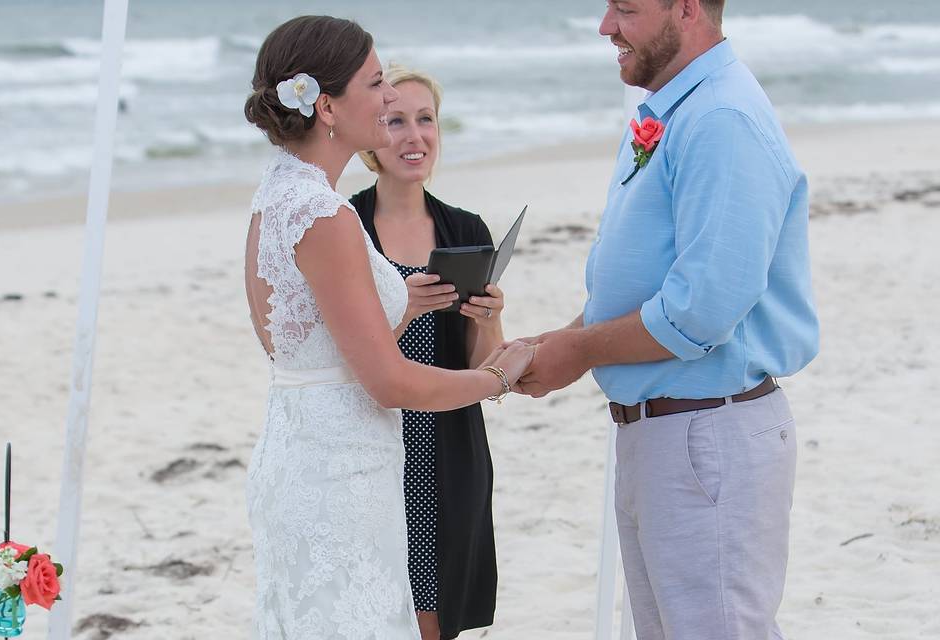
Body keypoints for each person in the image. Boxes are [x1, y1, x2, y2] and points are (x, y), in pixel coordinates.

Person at [513, 1, 820, 639]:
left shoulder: (721, 119)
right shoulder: (675, 110)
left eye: (625, 7)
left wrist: (580, 352)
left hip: (707, 436)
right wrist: (563, 341)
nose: (606, 26)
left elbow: (698, 311)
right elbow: (652, 280)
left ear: (686, 7)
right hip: (669, 437)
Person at [241, 16, 534, 640]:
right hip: (342, 472)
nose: (387, 98)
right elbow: (388, 382)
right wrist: (498, 378)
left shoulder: (277, 194)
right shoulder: (326, 214)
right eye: (376, 84)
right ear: (326, 106)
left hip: (305, 450)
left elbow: (295, 344)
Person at [350, 65, 503, 640]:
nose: (414, 137)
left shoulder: (465, 229)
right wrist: (404, 308)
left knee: (438, 614)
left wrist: (488, 321)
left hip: (448, 440)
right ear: (372, 135)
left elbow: (484, 363)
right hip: (371, 439)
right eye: (395, 121)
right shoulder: (349, 229)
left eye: (426, 120)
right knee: (375, 606)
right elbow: (338, 358)